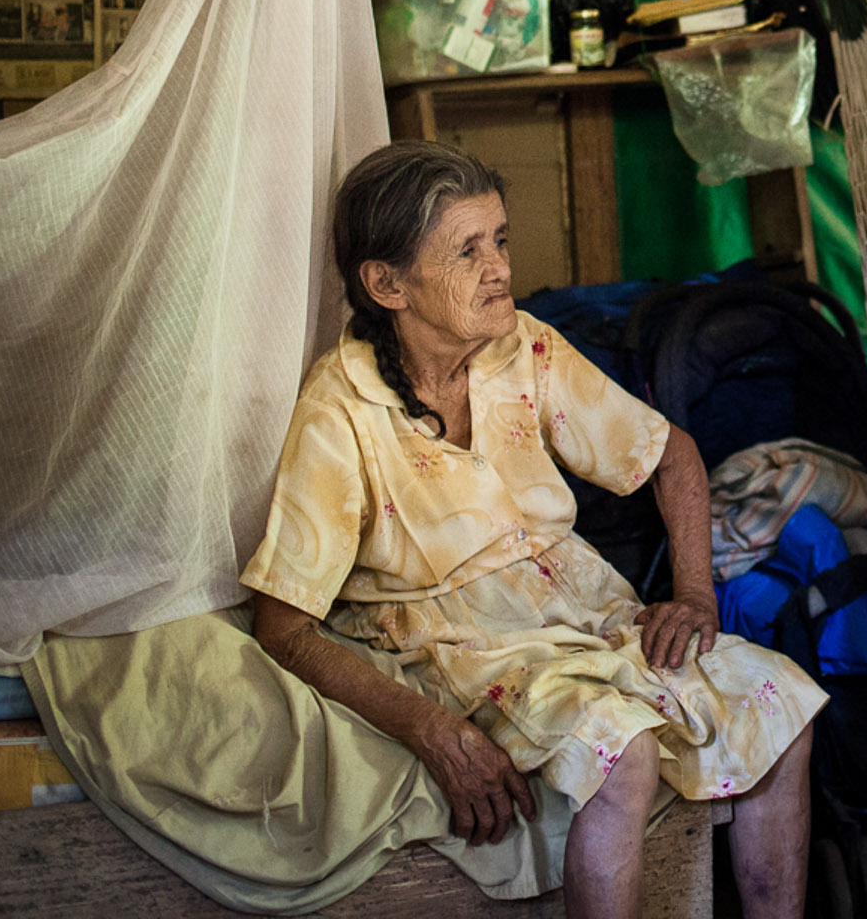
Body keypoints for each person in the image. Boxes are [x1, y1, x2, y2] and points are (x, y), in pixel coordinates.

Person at [242, 140, 823, 919]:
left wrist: (693, 594)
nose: (500, 270)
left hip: (578, 610)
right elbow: (282, 624)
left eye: (501, 240)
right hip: (458, 640)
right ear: (387, 284)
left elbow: (669, 456)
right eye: (467, 250)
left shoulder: (524, 347)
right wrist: (430, 730)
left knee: (779, 703)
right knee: (625, 752)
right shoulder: (340, 407)